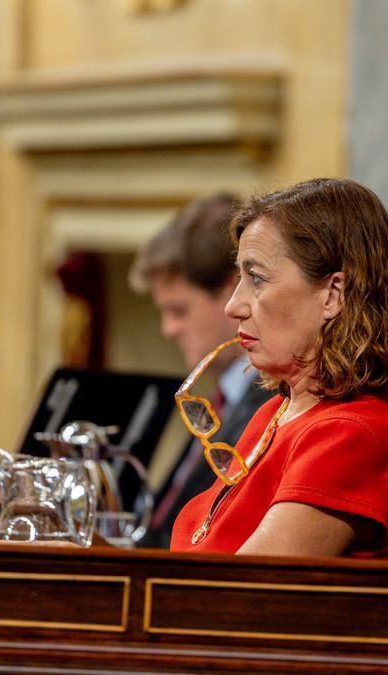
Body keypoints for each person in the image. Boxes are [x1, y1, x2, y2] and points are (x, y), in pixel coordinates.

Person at [169, 178, 388, 559]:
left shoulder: (353, 434)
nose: (234, 306)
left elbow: (238, 595)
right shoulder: (273, 414)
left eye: (256, 278)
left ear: (333, 295)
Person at [130, 192, 274, 548]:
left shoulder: (273, 399)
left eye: (179, 310)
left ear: (231, 291)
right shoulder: (220, 397)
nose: (168, 329)